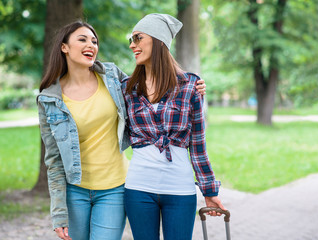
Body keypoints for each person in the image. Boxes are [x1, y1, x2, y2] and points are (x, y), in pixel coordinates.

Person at [37, 21, 206, 240]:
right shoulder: (49, 99)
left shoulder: (112, 78)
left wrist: (189, 84)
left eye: (94, 41)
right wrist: (59, 212)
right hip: (74, 190)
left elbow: (153, 87)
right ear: (64, 47)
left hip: (114, 187)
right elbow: (53, 159)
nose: (91, 45)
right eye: (82, 39)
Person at [122, 13, 226, 240]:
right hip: (138, 188)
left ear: (158, 41)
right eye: (131, 39)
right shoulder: (127, 89)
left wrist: (210, 191)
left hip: (180, 189)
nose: (132, 45)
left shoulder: (190, 86)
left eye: (138, 38)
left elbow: (198, 146)